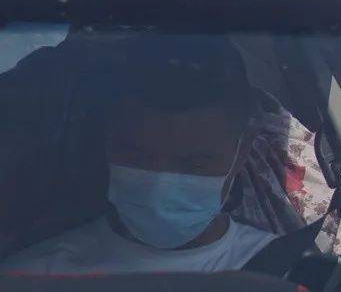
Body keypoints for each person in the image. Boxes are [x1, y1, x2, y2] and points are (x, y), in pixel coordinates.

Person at [5, 35, 274, 275]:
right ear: (107, 142)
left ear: (242, 152)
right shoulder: (31, 282)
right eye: (139, 157)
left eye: (195, 163)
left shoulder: (290, 277)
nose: (161, 185)